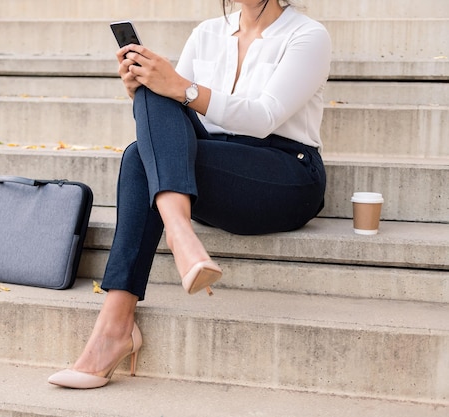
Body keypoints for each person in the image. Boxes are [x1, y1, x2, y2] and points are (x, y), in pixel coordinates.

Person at [48, 0, 331, 389]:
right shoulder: (207, 32)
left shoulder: (307, 35)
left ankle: (172, 240)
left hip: (284, 172)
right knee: (150, 93)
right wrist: (145, 87)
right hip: (211, 168)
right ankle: (124, 313)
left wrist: (180, 86)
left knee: (142, 147)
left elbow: (263, 118)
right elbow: (179, 118)